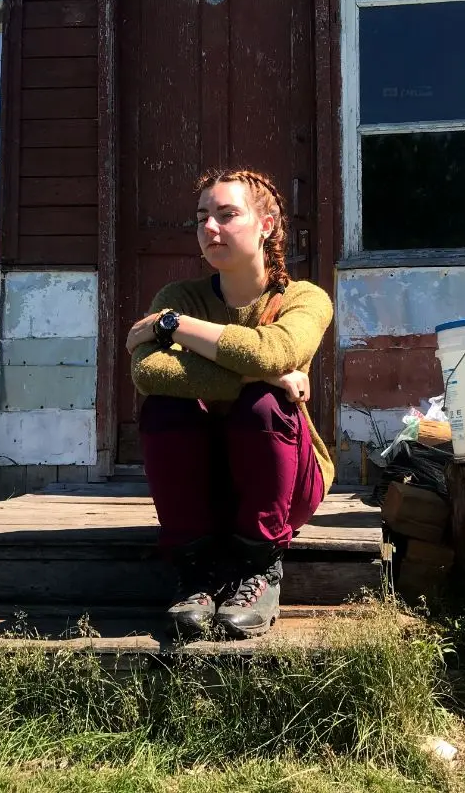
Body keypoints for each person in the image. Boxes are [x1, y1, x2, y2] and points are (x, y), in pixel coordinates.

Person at [126, 168, 334, 639]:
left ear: (266, 225)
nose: (209, 227)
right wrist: (264, 372)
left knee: (264, 404)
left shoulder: (304, 299)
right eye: (202, 217)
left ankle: (259, 568)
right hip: (207, 482)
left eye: (226, 214)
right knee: (164, 407)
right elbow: (148, 371)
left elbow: (274, 351)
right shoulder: (180, 297)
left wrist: (174, 326)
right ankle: (195, 573)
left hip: (284, 484)